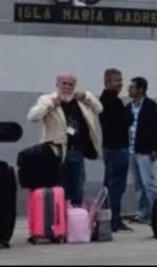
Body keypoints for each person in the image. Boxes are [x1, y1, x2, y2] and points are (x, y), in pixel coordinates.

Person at [27, 73, 103, 206]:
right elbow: (33, 117)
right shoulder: (47, 99)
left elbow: (99, 108)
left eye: (71, 84)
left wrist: (86, 96)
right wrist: (50, 105)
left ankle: (76, 215)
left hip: (76, 151)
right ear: (57, 85)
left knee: (77, 187)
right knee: (58, 186)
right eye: (64, 84)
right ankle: (58, 217)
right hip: (55, 152)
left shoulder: (81, 101)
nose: (67, 87)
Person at [127, 76, 157, 224]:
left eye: (132, 87)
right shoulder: (128, 107)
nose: (129, 90)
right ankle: (144, 213)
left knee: (148, 184)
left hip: (145, 151)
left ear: (141, 90)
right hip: (131, 151)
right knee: (138, 185)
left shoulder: (151, 107)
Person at [99, 68, 133, 233]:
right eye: (116, 80)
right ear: (107, 83)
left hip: (112, 148)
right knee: (116, 186)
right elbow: (123, 122)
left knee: (111, 185)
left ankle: (111, 218)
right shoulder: (111, 101)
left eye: (121, 80)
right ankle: (113, 219)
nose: (120, 83)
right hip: (116, 148)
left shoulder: (108, 100)